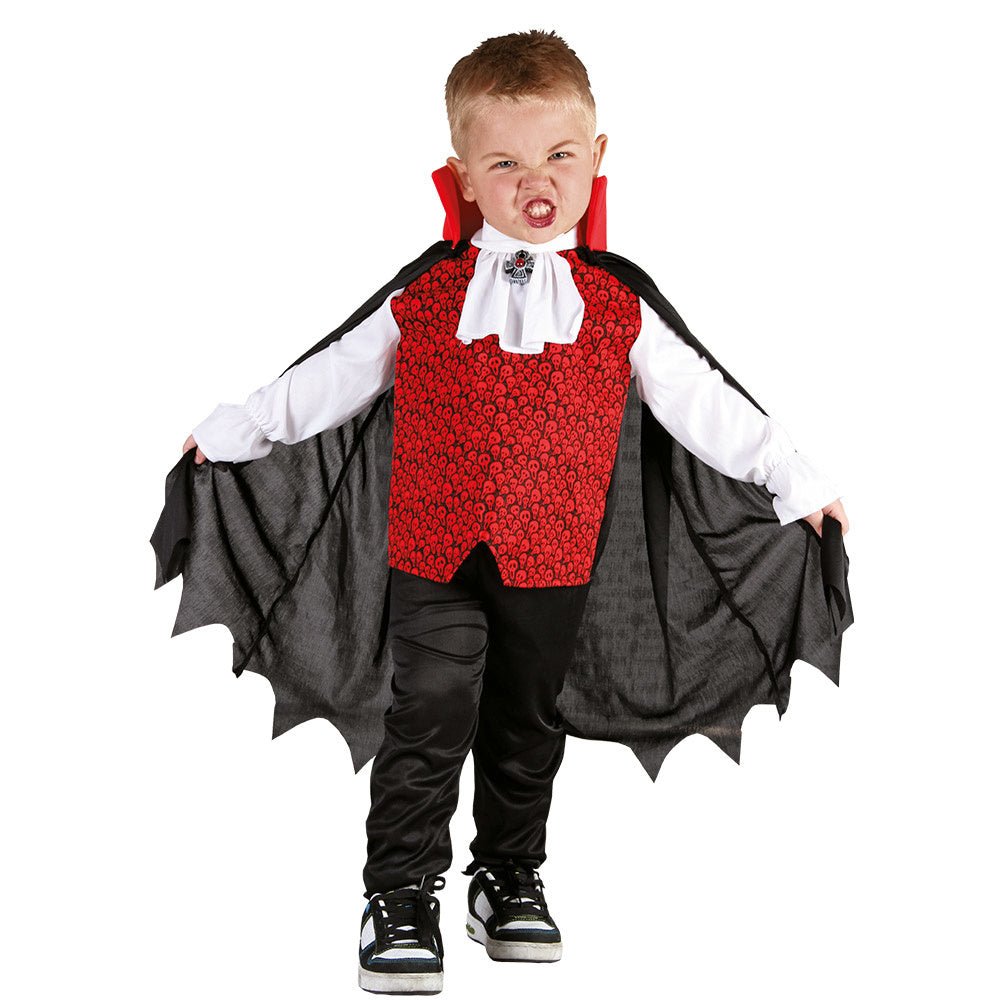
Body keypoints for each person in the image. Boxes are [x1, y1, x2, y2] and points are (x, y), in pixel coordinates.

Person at [166, 29, 852, 997]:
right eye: (504, 162)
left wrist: (793, 477)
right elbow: (331, 375)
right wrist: (234, 430)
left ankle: (507, 877)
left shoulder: (617, 302)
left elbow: (703, 401)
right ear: (463, 176)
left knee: (528, 719)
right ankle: (399, 892)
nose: (536, 181)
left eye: (559, 155)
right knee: (430, 710)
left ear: (597, 157)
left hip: (556, 556)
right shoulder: (427, 291)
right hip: (433, 550)